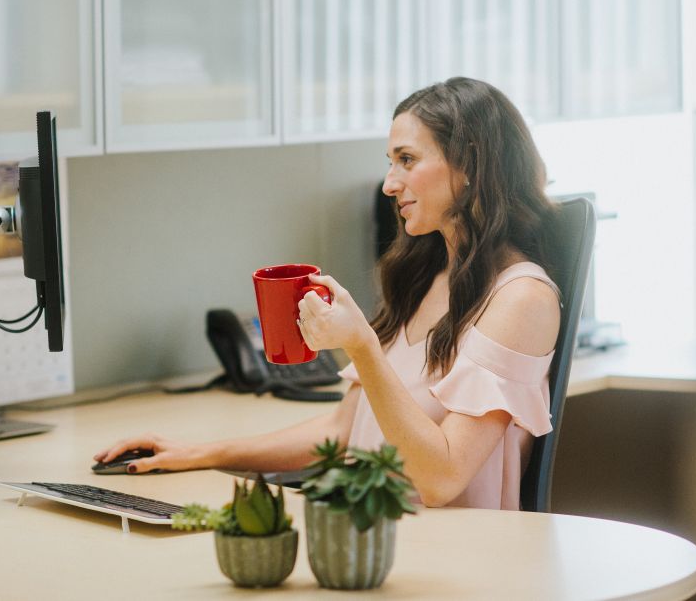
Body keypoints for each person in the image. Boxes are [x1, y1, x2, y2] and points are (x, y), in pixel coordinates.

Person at [95, 77, 561, 510]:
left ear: (470, 163)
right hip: (369, 537)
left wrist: (361, 345)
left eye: (407, 159)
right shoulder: (426, 278)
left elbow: (440, 479)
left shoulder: (522, 300)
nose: (389, 183)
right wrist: (200, 452)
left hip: (450, 561)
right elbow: (343, 431)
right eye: (390, 162)